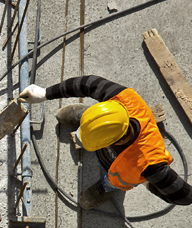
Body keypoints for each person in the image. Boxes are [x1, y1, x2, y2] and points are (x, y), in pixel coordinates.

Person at [19, 76, 192, 209]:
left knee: (112, 181)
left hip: (115, 173)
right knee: (97, 121)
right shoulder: (124, 99)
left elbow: (185, 197)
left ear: (114, 142)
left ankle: (106, 187)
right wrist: (46, 93)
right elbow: (87, 83)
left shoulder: (149, 164)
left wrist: (147, 182)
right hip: (105, 123)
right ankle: (86, 118)